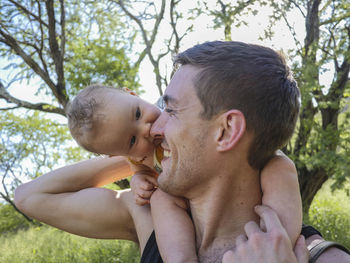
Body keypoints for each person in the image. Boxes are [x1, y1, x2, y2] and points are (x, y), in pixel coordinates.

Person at [14, 41, 350, 262]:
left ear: (227, 130)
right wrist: (135, 157)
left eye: (170, 111)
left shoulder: (319, 256)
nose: (154, 128)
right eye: (133, 138)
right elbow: (29, 196)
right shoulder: (147, 212)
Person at [64, 83, 302, 262]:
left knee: (280, 166)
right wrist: (138, 179)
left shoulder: (173, 109)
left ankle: (281, 239)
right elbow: (138, 169)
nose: (147, 130)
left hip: (232, 179)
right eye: (132, 140)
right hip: (187, 200)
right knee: (159, 198)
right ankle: (182, 258)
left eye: (137, 114)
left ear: (132, 94)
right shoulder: (135, 157)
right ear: (117, 154)